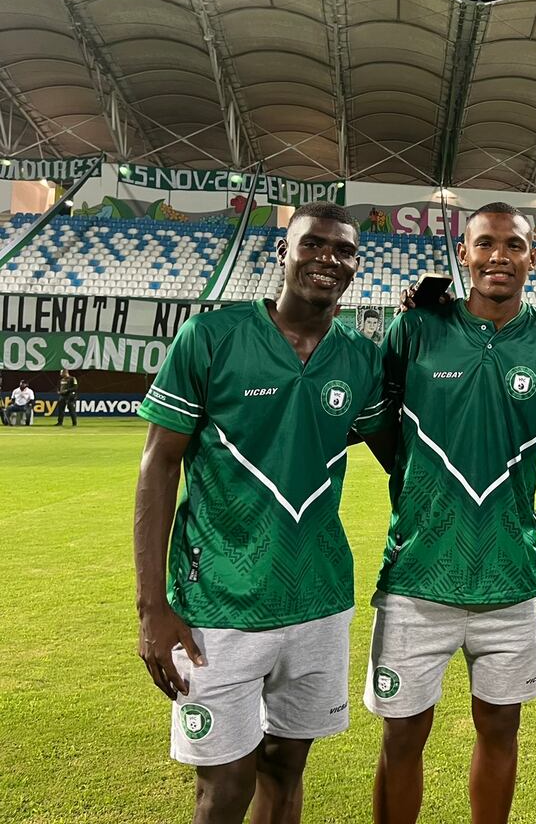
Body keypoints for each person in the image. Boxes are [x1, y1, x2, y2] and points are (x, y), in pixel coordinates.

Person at [133, 201, 391, 824]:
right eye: (313, 244)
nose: (328, 259)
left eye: (344, 251)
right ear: (284, 251)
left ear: (357, 267)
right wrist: (152, 608)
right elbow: (159, 465)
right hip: (220, 604)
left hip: (318, 599)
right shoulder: (212, 336)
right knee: (223, 789)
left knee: (286, 768)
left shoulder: (361, 356)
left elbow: (400, 457)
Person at [361, 202, 536, 824]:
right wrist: (420, 488)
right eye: (485, 244)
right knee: (402, 738)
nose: (499, 256)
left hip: (510, 575)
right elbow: (381, 430)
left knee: (499, 730)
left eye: (513, 245)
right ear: (463, 254)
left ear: (532, 258)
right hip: (417, 573)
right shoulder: (414, 331)